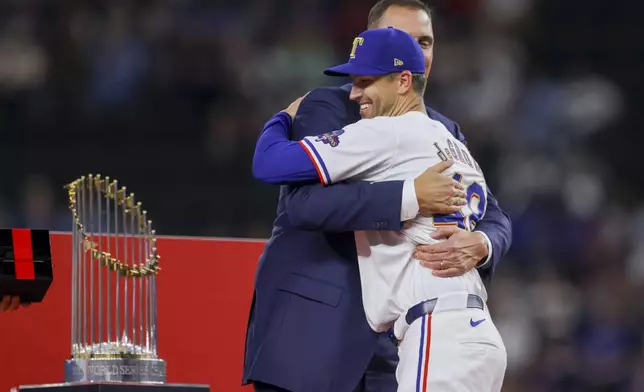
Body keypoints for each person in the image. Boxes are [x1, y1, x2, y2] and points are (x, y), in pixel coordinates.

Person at [242, 1, 512, 391]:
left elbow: (495, 215)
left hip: (408, 340)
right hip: (317, 339)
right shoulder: (330, 106)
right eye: (404, 39)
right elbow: (305, 205)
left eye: (426, 41)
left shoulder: (435, 128)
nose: (418, 51)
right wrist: (409, 196)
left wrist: (482, 242)